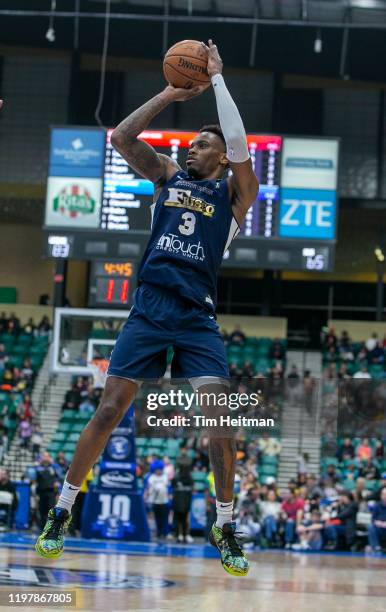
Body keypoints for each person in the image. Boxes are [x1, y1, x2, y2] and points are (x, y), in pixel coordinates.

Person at [35, 40, 258, 577]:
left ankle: (224, 523)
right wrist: (169, 92)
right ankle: (63, 510)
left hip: (196, 316)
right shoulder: (165, 176)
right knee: (110, 410)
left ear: (221, 157)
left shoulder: (234, 195)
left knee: (221, 421)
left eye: (202, 145)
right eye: (191, 143)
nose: (191, 149)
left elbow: (240, 146)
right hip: (151, 308)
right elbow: (120, 137)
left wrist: (219, 81)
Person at [146, 462, 170, 540]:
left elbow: (167, 486)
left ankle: (164, 533)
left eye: (160, 469)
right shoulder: (151, 477)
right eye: (157, 470)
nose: (159, 471)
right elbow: (148, 488)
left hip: (163, 501)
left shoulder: (165, 477)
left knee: (164, 518)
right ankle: (157, 533)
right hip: (154, 501)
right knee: (156, 518)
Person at [172, 467, 193, 543]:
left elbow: (173, 487)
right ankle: (183, 537)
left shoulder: (177, 478)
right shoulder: (189, 479)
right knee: (184, 521)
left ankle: (178, 537)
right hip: (184, 505)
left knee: (178, 521)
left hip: (178, 505)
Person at [368, 487, 386, 552]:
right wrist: (377, 522)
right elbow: (373, 519)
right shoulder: (377, 505)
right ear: (381, 495)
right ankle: (375, 547)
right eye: (383, 494)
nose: (385, 496)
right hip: (379, 527)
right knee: (371, 526)